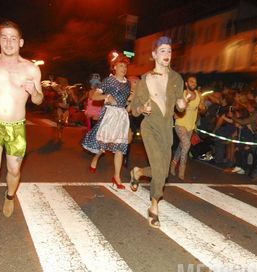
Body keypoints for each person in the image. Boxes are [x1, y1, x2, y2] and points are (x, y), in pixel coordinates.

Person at [0, 20, 43, 232]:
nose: (9, 41)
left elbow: (39, 99)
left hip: (17, 126)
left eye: (13, 38)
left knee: (13, 170)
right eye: (4, 37)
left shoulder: (31, 69)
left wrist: (34, 91)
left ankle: (10, 196)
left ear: (20, 42)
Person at [130, 36, 189, 228]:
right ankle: (154, 206)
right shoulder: (144, 80)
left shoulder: (176, 79)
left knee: (162, 173)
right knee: (158, 167)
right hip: (150, 127)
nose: (167, 54)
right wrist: (142, 109)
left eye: (169, 51)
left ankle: (138, 172)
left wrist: (182, 104)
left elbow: (180, 106)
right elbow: (135, 107)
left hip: (166, 129)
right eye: (162, 50)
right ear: (154, 54)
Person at [82, 51, 130, 189]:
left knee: (119, 146)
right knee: (104, 146)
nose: (124, 68)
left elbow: (126, 100)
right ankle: (95, 158)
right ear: (114, 67)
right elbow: (94, 96)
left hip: (121, 116)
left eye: (125, 66)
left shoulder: (128, 84)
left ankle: (117, 177)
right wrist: (106, 97)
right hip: (109, 115)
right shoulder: (109, 80)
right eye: (121, 66)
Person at [170, 74, 204, 180]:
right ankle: (182, 169)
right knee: (186, 144)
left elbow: (202, 109)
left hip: (190, 126)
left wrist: (203, 108)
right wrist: (174, 113)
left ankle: (173, 163)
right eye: (191, 81)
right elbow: (173, 107)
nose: (193, 83)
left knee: (182, 146)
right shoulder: (181, 94)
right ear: (186, 84)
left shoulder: (199, 95)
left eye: (195, 82)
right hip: (180, 123)